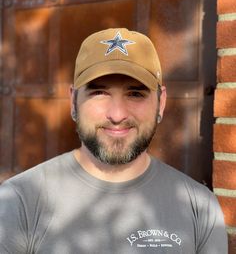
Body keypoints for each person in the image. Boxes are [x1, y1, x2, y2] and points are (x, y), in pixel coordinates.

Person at [0, 28, 227, 253]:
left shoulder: (200, 207)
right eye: (99, 92)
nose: (117, 115)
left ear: (162, 102)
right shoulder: (19, 200)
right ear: (73, 101)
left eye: (136, 93)